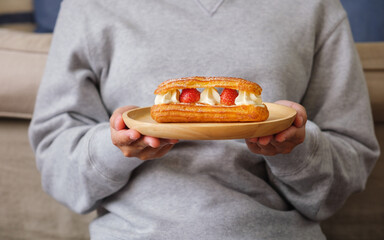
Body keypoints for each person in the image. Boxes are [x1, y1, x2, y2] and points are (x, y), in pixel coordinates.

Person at [29, 0, 380, 239]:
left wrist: (297, 148)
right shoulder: (89, 6)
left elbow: (348, 165)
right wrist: (114, 145)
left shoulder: (314, 6)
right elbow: (56, 166)